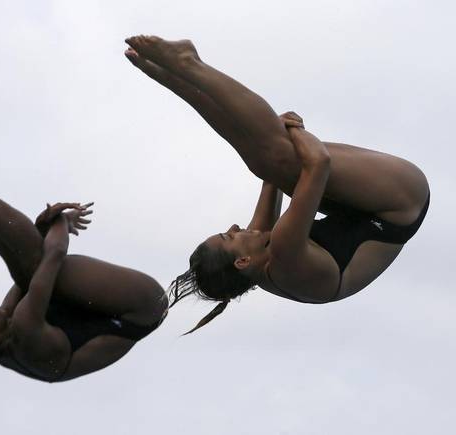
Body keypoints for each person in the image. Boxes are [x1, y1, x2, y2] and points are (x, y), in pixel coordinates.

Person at [124, 36, 429, 334]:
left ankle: (172, 75)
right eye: (228, 236)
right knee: (281, 154)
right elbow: (317, 162)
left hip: (357, 210)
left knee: (267, 161)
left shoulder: (259, 257)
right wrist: (293, 130)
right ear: (242, 261)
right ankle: (189, 64)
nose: (233, 226)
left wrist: (272, 134)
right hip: (400, 201)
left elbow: (270, 175)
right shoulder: (284, 252)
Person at [0, 153, 167, 387]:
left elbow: (26, 276)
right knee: (34, 267)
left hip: (93, 312)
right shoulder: (25, 331)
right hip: (139, 310)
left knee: (26, 272)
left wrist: (42, 229)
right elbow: (53, 254)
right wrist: (60, 221)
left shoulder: (4, 336)